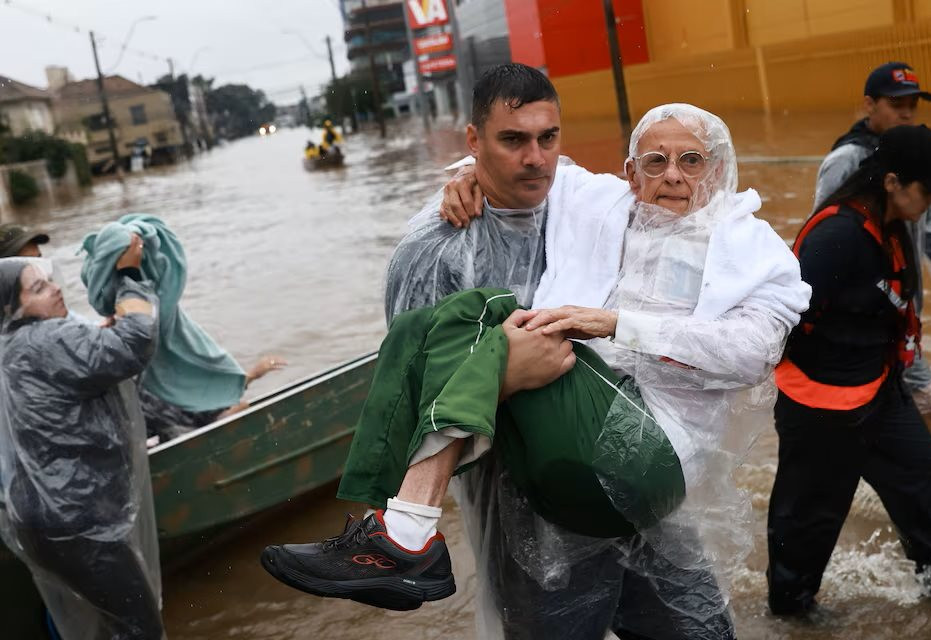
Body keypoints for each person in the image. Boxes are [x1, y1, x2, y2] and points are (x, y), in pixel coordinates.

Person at [264, 64, 808, 639]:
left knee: (695, 629)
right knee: (466, 322)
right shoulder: (455, 241)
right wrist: (504, 377)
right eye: (512, 141)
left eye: (548, 139)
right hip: (537, 497)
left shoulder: (744, 246)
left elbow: (755, 348)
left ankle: (403, 530)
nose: (536, 158)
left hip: (641, 474)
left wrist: (614, 325)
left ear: (717, 168)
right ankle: (400, 527)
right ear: (631, 172)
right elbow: (415, 381)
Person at [767, 124, 931, 616]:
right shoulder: (838, 235)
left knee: (925, 482)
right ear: (893, 181)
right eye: (929, 190)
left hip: (877, 389)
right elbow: (784, 317)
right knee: (810, 518)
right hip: (822, 405)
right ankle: (791, 612)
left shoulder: (892, 224)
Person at [0, 235, 166, 639]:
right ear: (11, 308)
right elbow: (138, 340)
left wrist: (95, 338)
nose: (56, 288)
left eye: (49, 279)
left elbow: (80, 361)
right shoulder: (47, 340)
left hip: (41, 519)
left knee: (108, 625)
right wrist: (129, 275)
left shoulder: (14, 344)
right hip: (79, 521)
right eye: (38, 288)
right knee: (140, 630)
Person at [815, 61, 931, 445]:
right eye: (897, 103)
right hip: (862, 321)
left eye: (913, 103)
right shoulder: (846, 162)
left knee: (914, 404)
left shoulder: (919, 158)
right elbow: (824, 239)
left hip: (902, 316)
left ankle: (917, 483)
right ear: (869, 105)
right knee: (923, 400)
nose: (907, 112)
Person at [81, 214, 285, 443]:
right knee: (238, 411)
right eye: (133, 244)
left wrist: (252, 375)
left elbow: (195, 387)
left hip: (159, 417)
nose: (140, 244)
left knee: (234, 408)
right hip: (167, 421)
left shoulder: (133, 316)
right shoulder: (138, 315)